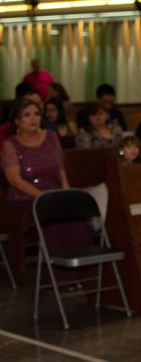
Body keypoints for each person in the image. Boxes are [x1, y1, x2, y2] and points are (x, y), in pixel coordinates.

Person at [1, 98, 92, 283]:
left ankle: (80, 274)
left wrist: (66, 190)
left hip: (53, 192)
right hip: (25, 196)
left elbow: (60, 169)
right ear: (17, 121)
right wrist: (42, 196)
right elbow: (15, 180)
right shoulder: (10, 144)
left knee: (76, 212)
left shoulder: (50, 136)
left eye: (36, 114)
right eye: (27, 115)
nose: (33, 119)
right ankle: (59, 277)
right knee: (53, 214)